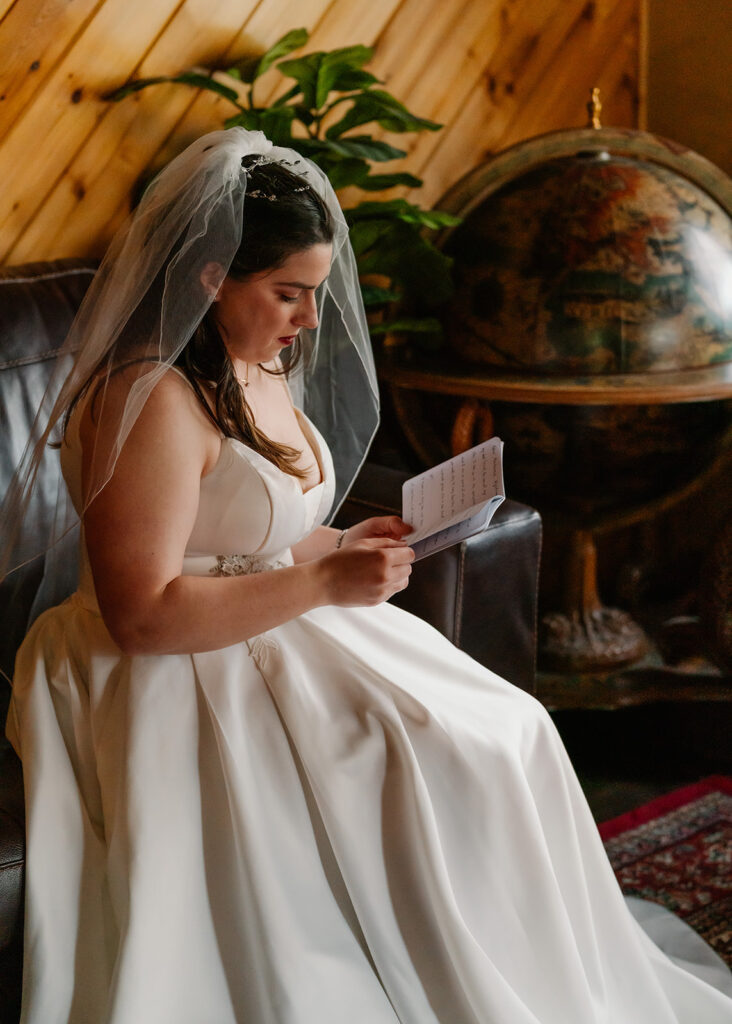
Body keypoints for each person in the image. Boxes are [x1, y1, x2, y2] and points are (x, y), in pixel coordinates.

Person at [3, 128, 731, 1024]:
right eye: (289, 293)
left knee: (510, 727)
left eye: (312, 291)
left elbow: (246, 528)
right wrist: (322, 585)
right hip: (164, 662)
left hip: (268, 614)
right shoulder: (147, 400)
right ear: (208, 278)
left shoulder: (255, 355)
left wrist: (340, 540)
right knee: (409, 751)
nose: (310, 318)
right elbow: (143, 613)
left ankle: (517, 960)